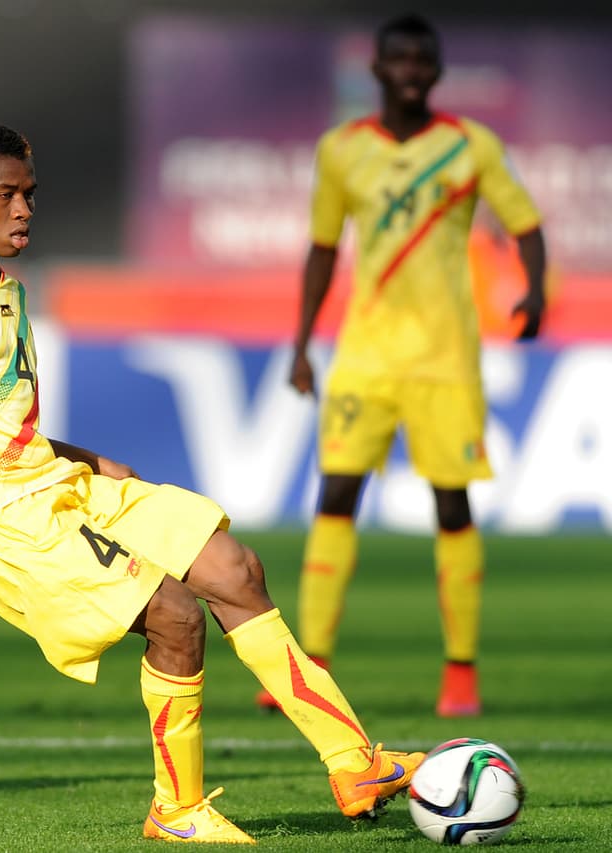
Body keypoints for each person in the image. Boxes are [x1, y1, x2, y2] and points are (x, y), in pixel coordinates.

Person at [0, 120, 424, 845]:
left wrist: (92, 460)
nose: (25, 209)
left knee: (234, 566)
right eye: (7, 194)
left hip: (57, 483)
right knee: (175, 614)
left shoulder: (6, 290)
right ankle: (178, 808)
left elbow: (4, 427)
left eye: (31, 193)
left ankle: (355, 761)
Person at [256, 14, 547, 719]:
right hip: (364, 355)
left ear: (437, 71)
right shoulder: (342, 151)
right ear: (378, 71)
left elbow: (526, 224)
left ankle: (460, 675)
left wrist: (534, 288)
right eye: (400, 59)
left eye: (424, 59)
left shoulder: (469, 145)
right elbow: (322, 249)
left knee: (452, 504)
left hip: (447, 358)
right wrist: (300, 343)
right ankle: (312, 664)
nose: (413, 69)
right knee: (336, 495)